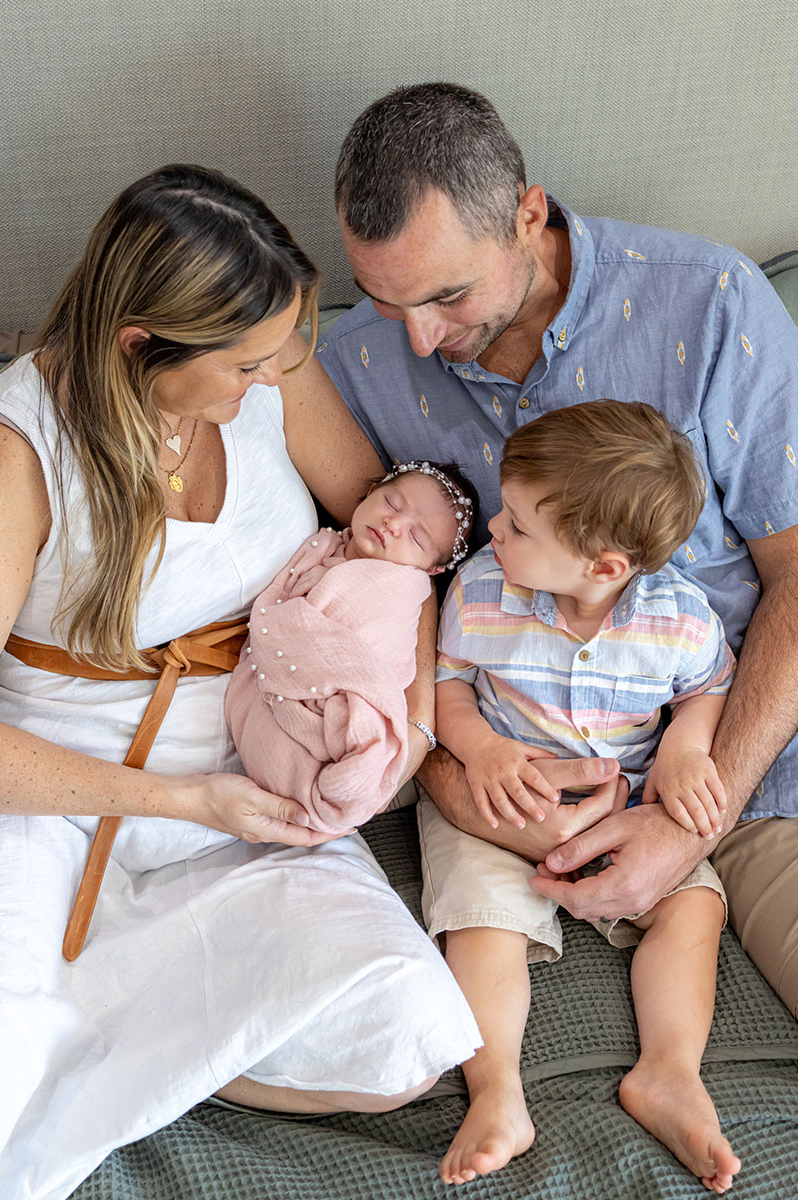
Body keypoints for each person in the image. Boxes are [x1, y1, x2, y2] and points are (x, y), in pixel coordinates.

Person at [0, 165, 481, 1200]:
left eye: (284, 352)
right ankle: (99, 1041)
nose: (275, 379)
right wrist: (178, 799)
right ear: (140, 346)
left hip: (258, 762)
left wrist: (415, 708)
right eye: (248, 364)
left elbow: (392, 542)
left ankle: (146, 1053)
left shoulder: (271, 366)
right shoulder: (19, 449)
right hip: (61, 792)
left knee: (407, 1038)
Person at [280, 81, 798, 1018]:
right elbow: (385, 588)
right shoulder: (358, 360)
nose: (424, 340)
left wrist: (693, 817)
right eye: (390, 301)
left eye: (447, 295)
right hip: (516, 771)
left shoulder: (713, 303)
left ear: (528, 216)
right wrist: (458, 777)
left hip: (737, 754)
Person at [423, 400, 739, 1191]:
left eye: (521, 525)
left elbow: (709, 687)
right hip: (499, 807)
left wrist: (684, 747)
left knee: (693, 904)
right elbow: (447, 682)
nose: (494, 528)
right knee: (481, 916)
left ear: (603, 566)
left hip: (625, 807)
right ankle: (497, 1091)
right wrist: (482, 747)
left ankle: (667, 1071)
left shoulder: (679, 622)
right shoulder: (481, 591)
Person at [226, 460, 474, 833]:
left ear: (432, 570)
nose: (394, 523)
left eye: (417, 537)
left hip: (349, 691)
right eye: (392, 503)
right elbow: (278, 605)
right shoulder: (322, 545)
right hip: (275, 687)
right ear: (372, 491)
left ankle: (351, 774)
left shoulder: (402, 589)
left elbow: (373, 661)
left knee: (361, 730)